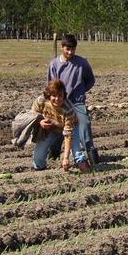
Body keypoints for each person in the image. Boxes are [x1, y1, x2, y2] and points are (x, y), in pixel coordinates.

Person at [47, 34, 97, 172]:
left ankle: (92, 155)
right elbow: (50, 86)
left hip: (77, 102)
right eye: (67, 49)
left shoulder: (82, 62)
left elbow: (90, 80)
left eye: (73, 49)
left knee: (84, 125)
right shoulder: (54, 65)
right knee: (57, 127)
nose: (70, 52)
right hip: (60, 103)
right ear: (62, 47)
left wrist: (81, 90)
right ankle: (54, 152)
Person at [31, 79, 77, 171]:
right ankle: (40, 170)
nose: (57, 99)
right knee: (38, 158)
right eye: (54, 96)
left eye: (60, 95)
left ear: (64, 96)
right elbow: (33, 115)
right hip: (50, 129)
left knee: (77, 151)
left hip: (71, 129)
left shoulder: (68, 109)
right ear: (48, 96)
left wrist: (66, 158)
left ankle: (83, 162)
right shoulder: (41, 101)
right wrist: (40, 122)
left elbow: (68, 134)